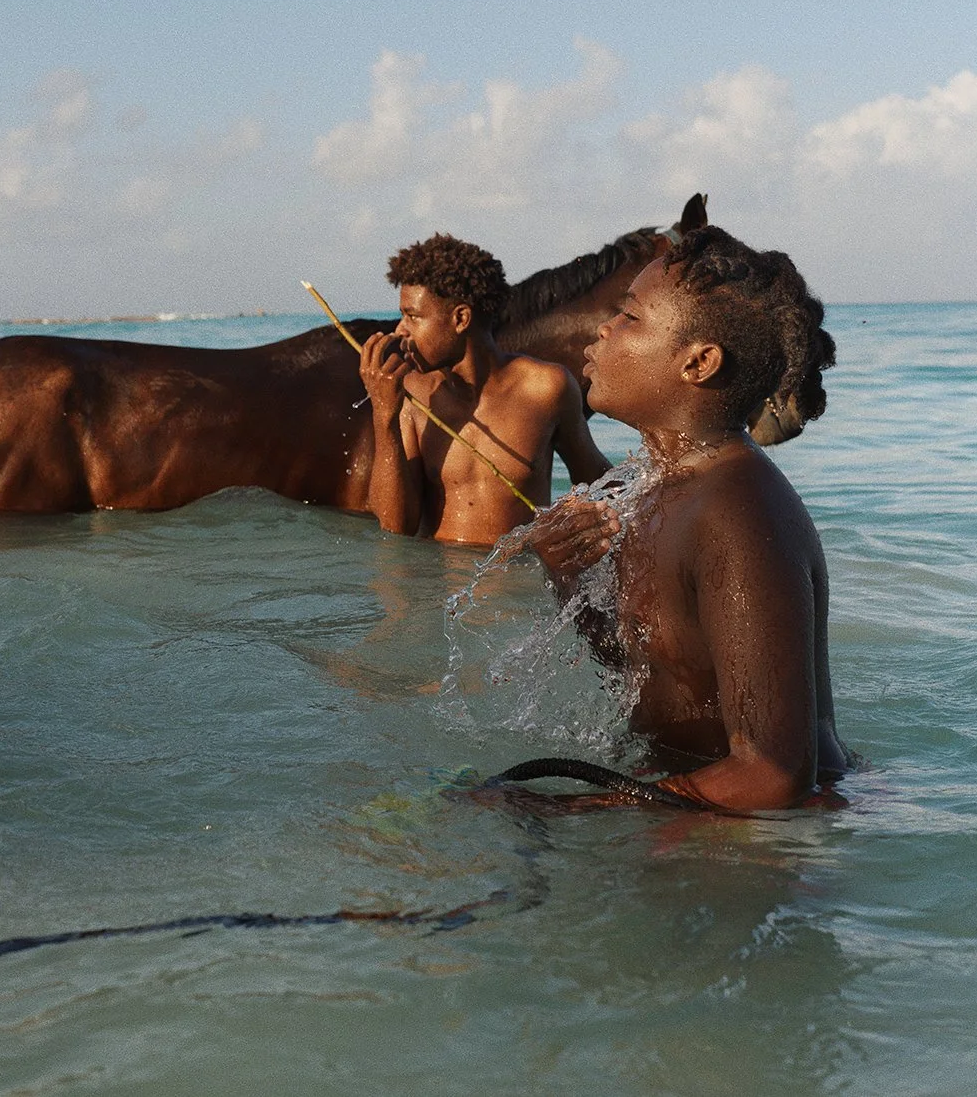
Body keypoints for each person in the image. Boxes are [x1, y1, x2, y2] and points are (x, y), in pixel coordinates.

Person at [527, 224, 850, 810]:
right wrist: (567, 575)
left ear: (698, 363)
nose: (602, 328)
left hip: (771, 831)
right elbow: (646, 678)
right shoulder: (653, 487)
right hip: (697, 797)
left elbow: (775, 775)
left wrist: (574, 809)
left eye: (629, 317)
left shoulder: (738, 511)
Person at [359, 233, 611, 547]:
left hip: (516, 584)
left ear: (460, 318)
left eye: (413, 316)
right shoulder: (412, 395)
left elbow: (599, 483)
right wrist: (384, 416)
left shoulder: (546, 388)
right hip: (435, 586)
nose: (400, 330)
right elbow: (395, 528)